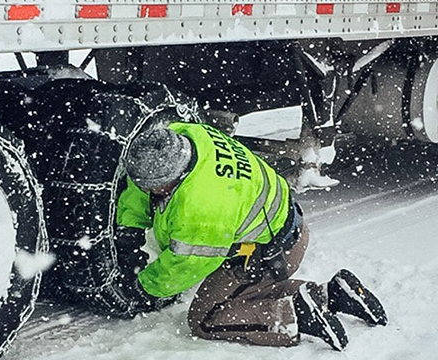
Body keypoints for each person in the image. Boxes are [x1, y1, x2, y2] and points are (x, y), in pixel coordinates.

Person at [116, 120, 387, 350]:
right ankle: (332, 293)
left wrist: (144, 288)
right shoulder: (184, 136)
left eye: (157, 187)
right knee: (248, 291)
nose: (151, 192)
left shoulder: (201, 208)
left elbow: (183, 266)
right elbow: (143, 183)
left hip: (268, 253)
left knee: (205, 318)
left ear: (173, 175)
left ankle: (295, 314)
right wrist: (129, 229)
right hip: (285, 227)